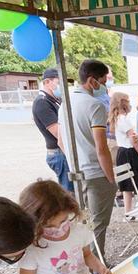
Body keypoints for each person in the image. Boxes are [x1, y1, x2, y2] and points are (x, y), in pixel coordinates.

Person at [18, 180, 111, 274]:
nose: (58, 228)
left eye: (63, 221)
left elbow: (86, 255)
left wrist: (99, 268)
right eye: (49, 226)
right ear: (32, 223)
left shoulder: (78, 230)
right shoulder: (32, 248)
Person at [57, 59, 116, 259]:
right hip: (96, 173)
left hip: (77, 172)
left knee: (83, 222)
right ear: (92, 81)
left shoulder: (65, 103)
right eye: (103, 80)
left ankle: (85, 262)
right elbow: (101, 148)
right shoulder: (95, 105)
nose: (105, 86)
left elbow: (60, 141)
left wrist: (74, 161)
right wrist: (111, 178)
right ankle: (98, 265)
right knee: (98, 223)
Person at [109, 91, 138, 213]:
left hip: (121, 153)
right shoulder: (124, 120)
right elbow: (134, 140)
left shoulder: (116, 119)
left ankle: (128, 213)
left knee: (127, 186)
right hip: (131, 152)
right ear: (123, 103)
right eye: (127, 101)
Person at [32, 68, 72, 191]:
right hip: (59, 152)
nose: (63, 86)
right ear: (47, 82)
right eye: (59, 82)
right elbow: (58, 133)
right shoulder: (42, 102)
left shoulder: (55, 100)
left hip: (63, 151)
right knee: (69, 192)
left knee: (74, 190)